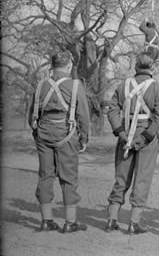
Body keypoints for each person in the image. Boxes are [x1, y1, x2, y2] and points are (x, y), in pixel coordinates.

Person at [29, 50, 90, 233]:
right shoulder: (76, 85)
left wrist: (37, 132)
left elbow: (31, 114)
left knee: (45, 175)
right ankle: (70, 222)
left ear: (51, 66)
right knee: (69, 177)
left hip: (43, 133)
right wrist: (84, 137)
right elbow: (84, 116)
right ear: (69, 66)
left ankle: (46, 221)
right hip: (67, 134)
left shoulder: (40, 85)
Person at [105, 52, 159, 234]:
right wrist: (145, 137)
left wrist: (121, 133)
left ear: (135, 66)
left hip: (125, 135)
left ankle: (111, 220)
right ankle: (133, 223)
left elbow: (112, 109)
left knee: (121, 178)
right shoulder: (157, 88)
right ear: (152, 67)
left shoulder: (123, 84)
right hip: (146, 136)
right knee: (142, 178)